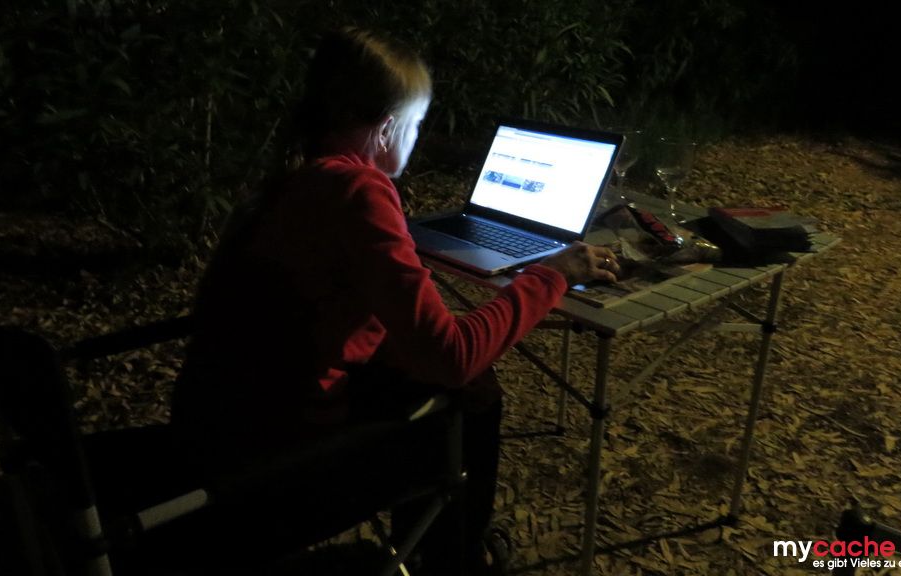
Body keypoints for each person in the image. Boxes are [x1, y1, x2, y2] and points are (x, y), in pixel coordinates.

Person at [170, 27, 619, 574]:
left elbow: (322, 311)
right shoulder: (358, 191)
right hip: (274, 469)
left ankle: (444, 553)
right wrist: (551, 275)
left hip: (214, 427)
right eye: (418, 124)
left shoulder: (290, 178)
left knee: (447, 379)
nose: (417, 137)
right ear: (386, 128)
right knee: (471, 392)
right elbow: (451, 357)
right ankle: (451, 563)